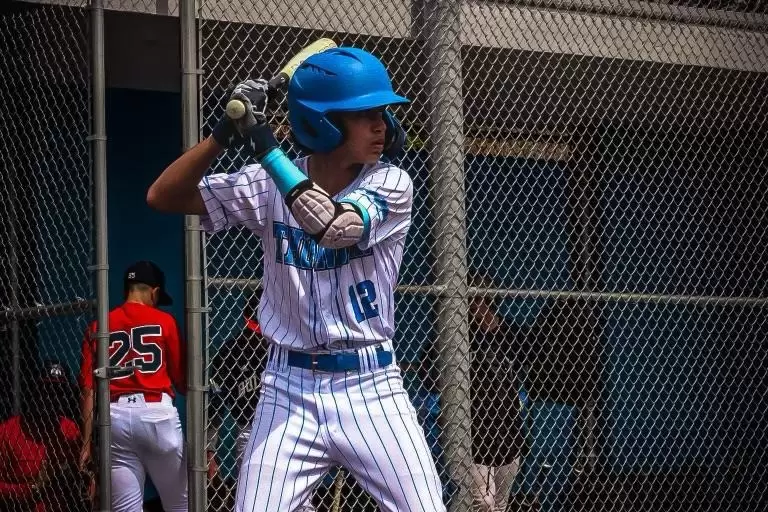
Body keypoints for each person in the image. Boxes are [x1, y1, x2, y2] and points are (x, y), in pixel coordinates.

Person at [147, 46, 445, 512]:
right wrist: (223, 133)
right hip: (287, 388)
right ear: (322, 123)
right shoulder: (264, 184)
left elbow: (334, 227)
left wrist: (264, 145)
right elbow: (163, 196)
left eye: (382, 113)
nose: (381, 125)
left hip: (372, 386)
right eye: (363, 115)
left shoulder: (391, 182)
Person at [78, 260, 188, 512]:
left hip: (114, 417)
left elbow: (88, 390)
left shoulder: (98, 326)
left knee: (125, 508)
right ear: (154, 292)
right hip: (157, 415)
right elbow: (182, 382)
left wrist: (86, 442)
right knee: (181, 505)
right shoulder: (165, 321)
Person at [206, 289, 316, 511]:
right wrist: (209, 448)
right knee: (256, 497)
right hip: (251, 428)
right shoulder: (231, 352)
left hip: (290, 425)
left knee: (299, 501)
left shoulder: (291, 345)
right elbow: (214, 403)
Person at [466, 272, 528, 512]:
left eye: (477, 299)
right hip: (474, 430)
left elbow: (534, 363)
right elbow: (429, 369)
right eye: (469, 300)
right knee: (484, 502)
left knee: (500, 504)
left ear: (488, 300)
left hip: (507, 428)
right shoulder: (462, 334)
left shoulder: (510, 333)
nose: (472, 306)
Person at [0, 360, 88, 512]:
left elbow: (82, 480)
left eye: (58, 392)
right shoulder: (8, 431)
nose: (51, 398)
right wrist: (34, 487)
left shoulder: (71, 430)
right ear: (34, 392)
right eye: (46, 390)